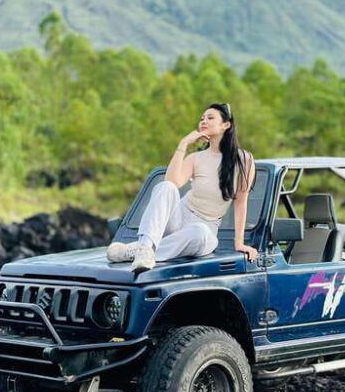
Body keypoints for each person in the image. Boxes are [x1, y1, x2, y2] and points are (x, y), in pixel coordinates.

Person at [107, 102, 257, 274]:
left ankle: (134, 250)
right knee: (165, 187)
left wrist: (239, 243)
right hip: (178, 217)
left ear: (226, 125)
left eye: (210, 118)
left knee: (199, 232)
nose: (204, 121)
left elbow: (240, 202)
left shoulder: (244, 160)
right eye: (202, 118)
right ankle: (145, 248)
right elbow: (172, 182)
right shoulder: (196, 158)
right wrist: (183, 144)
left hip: (205, 228)